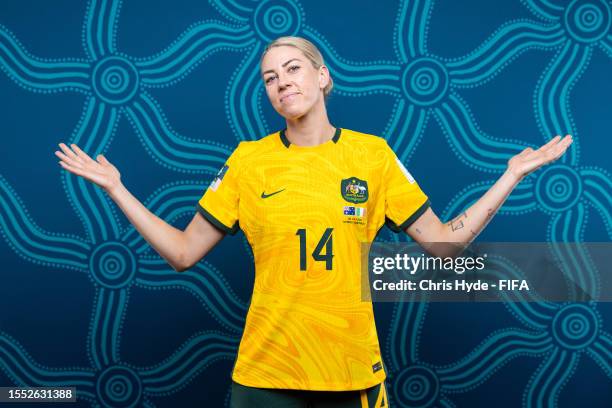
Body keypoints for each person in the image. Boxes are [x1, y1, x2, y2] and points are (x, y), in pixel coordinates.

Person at [55, 36, 573, 407]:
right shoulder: (248, 161)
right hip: (266, 377)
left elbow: (441, 245)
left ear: (323, 77)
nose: (282, 83)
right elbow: (184, 253)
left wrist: (511, 175)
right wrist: (117, 189)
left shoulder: (372, 156)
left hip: (351, 375)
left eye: (294, 69)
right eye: (270, 78)